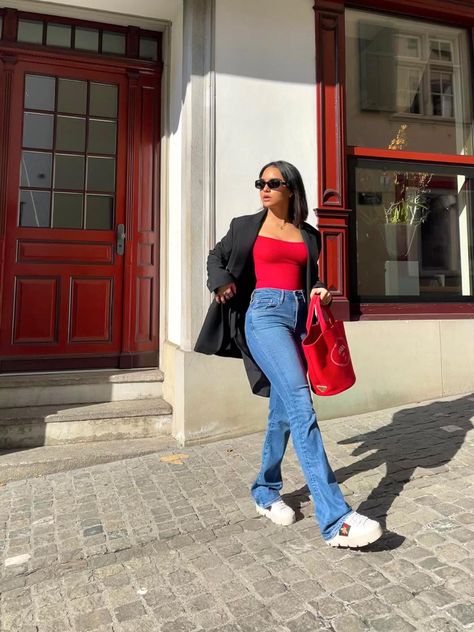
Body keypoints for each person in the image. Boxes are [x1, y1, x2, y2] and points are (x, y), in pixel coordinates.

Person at [195, 160, 383, 548]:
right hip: (263, 317)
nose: (264, 188)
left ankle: (265, 489)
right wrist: (222, 281)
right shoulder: (244, 226)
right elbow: (215, 257)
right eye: (260, 182)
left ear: (291, 190)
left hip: (299, 319)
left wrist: (320, 290)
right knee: (301, 404)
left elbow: (310, 280)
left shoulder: (308, 236)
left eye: (273, 183)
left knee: (282, 413)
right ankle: (335, 520)